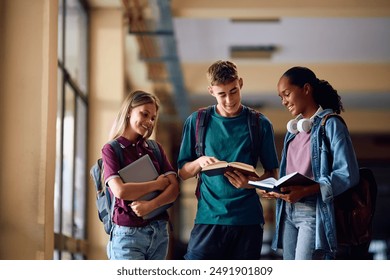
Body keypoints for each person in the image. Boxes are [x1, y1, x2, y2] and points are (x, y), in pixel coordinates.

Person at [177, 60, 279, 260]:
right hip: (209, 219)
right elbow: (182, 172)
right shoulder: (197, 122)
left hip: (248, 221)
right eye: (222, 94)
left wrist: (249, 183)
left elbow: (272, 177)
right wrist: (200, 162)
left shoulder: (260, 124)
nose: (229, 100)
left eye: (233, 91)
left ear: (240, 83)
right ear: (211, 91)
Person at [263, 66, 359, 260]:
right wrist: (277, 189)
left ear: (306, 89)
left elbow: (348, 174)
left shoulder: (331, 125)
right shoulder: (293, 132)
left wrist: (305, 191)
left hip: (313, 211)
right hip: (288, 211)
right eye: (280, 97)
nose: (284, 101)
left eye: (287, 94)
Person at [102, 90, 179, 260]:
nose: (149, 122)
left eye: (152, 118)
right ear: (129, 111)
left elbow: (174, 189)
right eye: (144, 114)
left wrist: (150, 206)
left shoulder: (155, 149)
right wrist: (157, 184)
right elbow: (120, 191)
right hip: (128, 236)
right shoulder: (111, 149)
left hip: (159, 234)